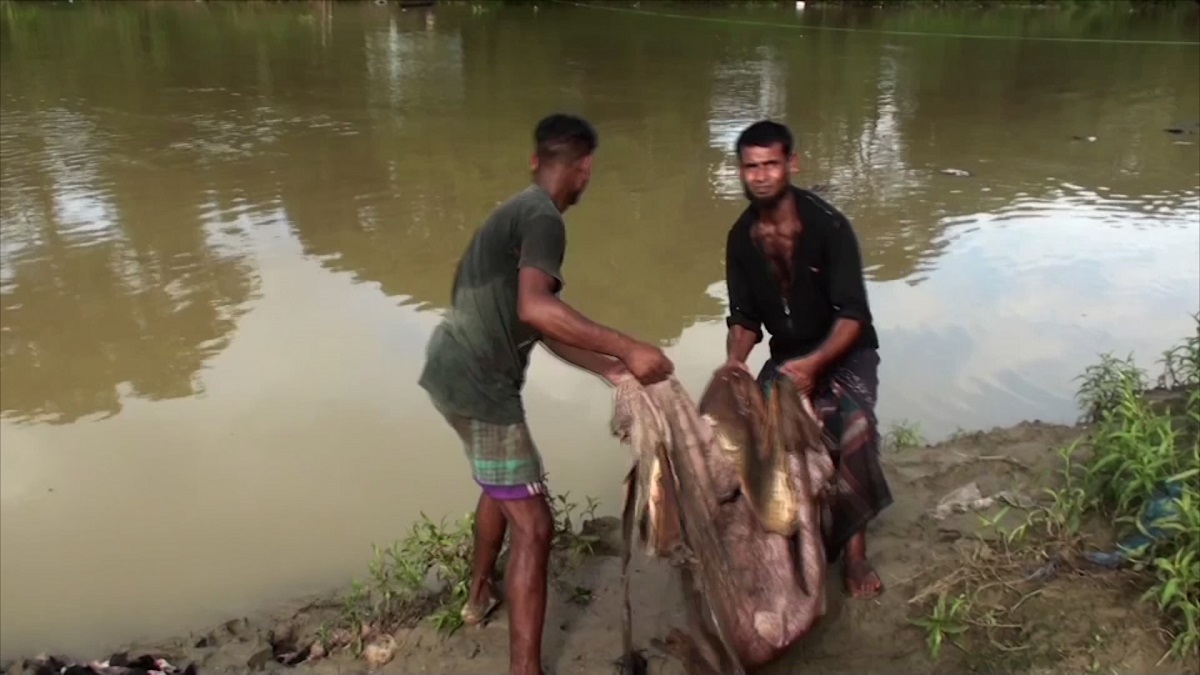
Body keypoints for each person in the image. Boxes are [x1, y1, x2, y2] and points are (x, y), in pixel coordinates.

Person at [417, 113, 675, 675]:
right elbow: (540, 308)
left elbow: (538, 321)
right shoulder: (544, 221)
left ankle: (479, 594)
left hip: (453, 373)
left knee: (503, 488)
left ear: (537, 160)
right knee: (535, 525)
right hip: (480, 387)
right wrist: (629, 346)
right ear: (584, 169)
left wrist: (610, 368)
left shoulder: (519, 209)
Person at [720, 119, 893, 600]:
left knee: (852, 424)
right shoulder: (740, 239)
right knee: (763, 431)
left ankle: (855, 554)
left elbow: (854, 314)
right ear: (741, 171)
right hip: (788, 355)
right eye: (751, 167)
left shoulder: (829, 227)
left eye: (771, 164)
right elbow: (744, 318)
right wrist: (736, 363)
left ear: (791, 165)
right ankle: (790, 532)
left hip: (846, 351)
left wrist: (816, 366)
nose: (760, 175)